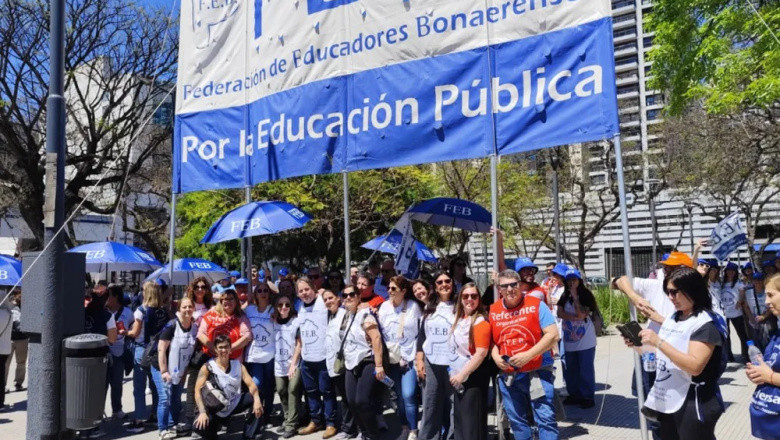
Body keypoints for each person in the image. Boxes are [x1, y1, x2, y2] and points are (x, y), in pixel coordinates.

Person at [629, 267, 725, 440]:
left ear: (692, 289)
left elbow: (695, 366)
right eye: (668, 292)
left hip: (694, 400)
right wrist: (639, 346)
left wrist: (658, 341)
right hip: (669, 396)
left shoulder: (705, 324)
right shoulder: (674, 317)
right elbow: (661, 354)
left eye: (675, 292)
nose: (671, 297)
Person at [490, 269, 559, 440]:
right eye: (504, 286)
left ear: (520, 285)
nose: (510, 289)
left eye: (514, 284)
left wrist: (527, 355)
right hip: (510, 375)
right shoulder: (493, 309)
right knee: (517, 421)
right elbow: (491, 341)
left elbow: (553, 335)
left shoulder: (536, 304)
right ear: (499, 289)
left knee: (545, 418)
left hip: (537, 371)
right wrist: (496, 356)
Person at [193, 334, 263, 440]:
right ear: (215, 350)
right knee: (198, 425)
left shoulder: (238, 366)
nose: (223, 350)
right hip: (215, 407)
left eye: (226, 347)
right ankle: (212, 434)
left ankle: (249, 435)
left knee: (257, 396)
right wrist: (202, 412)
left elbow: (251, 385)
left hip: (233, 403)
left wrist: (257, 400)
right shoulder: (207, 367)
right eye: (220, 347)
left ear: (230, 349)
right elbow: (197, 391)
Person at [378, 276, 423, 440]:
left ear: (403, 291)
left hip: (408, 358)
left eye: (393, 289)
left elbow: (421, 332)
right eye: (388, 288)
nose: (389, 291)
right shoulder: (383, 307)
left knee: (408, 394)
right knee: (397, 395)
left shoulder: (413, 307)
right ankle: (404, 426)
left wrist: (420, 358)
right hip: (391, 358)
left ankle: (413, 429)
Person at [342, 279, 386, 440]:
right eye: (344, 295)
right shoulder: (346, 316)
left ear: (359, 296)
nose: (348, 297)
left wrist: (379, 365)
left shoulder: (366, 314)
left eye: (351, 294)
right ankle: (364, 431)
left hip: (367, 360)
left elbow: (376, 339)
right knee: (351, 401)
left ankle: (373, 434)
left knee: (362, 401)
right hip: (350, 362)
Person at [416, 271, 458, 440]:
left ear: (452, 283)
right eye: (439, 282)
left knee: (455, 406)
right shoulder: (429, 307)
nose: (443, 284)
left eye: (447, 280)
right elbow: (422, 336)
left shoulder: (460, 305)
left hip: (453, 363)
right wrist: (419, 360)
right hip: (431, 362)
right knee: (431, 405)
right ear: (435, 286)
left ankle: (452, 437)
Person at [296, 277, 338, 436]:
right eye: (300, 291)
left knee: (326, 391)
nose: (304, 293)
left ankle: (331, 423)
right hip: (307, 358)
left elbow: (336, 302)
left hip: (323, 356)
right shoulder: (299, 306)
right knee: (311, 392)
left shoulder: (322, 301)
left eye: (307, 289)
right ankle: (315, 421)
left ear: (314, 288)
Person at [449, 282, 491, 440]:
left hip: (473, 376)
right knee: (460, 421)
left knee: (471, 424)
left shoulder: (481, 322)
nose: (469, 299)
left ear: (479, 299)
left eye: (474, 296)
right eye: (465, 296)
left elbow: (481, 353)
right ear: (460, 298)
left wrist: (462, 375)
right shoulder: (459, 319)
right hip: (459, 375)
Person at [151, 297, 198, 439]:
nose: (187, 309)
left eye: (190, 306)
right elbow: (161, 349)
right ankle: (162, 429)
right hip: (160, 367)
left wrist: (185, 372)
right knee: (165, 397)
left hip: (180, 369)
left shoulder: (194, 327)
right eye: (184, 307)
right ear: (179, 309)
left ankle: (172, 425)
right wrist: (164, 371)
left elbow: (190, 351)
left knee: (176, 398)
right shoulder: (172, 325)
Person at [126, 281, 169, 433]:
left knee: (139, 386)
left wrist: (125, 332)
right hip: (158, 350)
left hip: (142, 349)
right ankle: (156, 416)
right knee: (155, 386)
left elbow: (135, 333)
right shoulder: (163, 311)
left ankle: (138, 419)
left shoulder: (141, 311)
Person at [557, 269, 598, 409]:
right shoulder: (564, 295)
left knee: (585, 368)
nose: (571, 283)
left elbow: (582, 314)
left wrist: (575, 297)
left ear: (579, 281)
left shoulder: (585, 295)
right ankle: (573, 394)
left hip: (585, 339)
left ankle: (587, 396)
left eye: (574, 280)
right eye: (568, 280)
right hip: (569, 339)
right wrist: (573, 318)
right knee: (571, 368)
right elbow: (560, 313)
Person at [747, 273, 780, 439]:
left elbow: (772, 374)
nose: (766, 302)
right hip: (770, 422)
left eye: (771, 295)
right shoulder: (777, 333)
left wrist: (771, 377)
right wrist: (759, 373)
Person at [324, 288, 358, 440]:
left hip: (348, 363)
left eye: (330, 298)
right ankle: (349, 428)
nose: (328, 302)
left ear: (338, 299)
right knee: (345, 398)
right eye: (325, 300)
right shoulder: (330, 316)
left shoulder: (346, 314)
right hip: (335, 363)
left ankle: (356, 428)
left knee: (351, 398)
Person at [244, 281, 276, 428]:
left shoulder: (274, 310)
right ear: (255, 294)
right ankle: (256, 414)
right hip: (254, 356)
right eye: (260, 291)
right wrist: (248, 300)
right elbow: (237, 311)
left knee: (269, 387)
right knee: (257, 385)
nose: (263, 293)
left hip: (270, 355)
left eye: (265, 291)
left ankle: (267, 415)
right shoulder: (249, 310)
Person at [273, 294, 302, 439]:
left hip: (294, 363)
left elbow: (299, 343)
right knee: (281, 390)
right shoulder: (273, 321)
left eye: (287, 305)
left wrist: (293, 364)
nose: (283, 307)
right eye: (280, 305)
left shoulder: (295, 322)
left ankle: (291, 424)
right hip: (278, 363)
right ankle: (287, 417)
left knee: (292, 389)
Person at [197, 289, 251, 362]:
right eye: (225, 299)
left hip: (233, 360)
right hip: (210, 358)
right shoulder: (212, 312)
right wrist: (214, 348)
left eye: (231, 299)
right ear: (221, 301)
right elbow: (201, 334)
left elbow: (247, 336)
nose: (228, 301)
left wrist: (228, 349)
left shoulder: (240, 317)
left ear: (236, 301)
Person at [105, 285, 134, 420]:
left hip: (119, 351)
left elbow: (133, 331)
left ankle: (117, 409)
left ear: (115, 297)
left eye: (108, 295)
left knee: (117, 382)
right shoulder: (102, 311)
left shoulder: (128, 313)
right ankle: (98, 412)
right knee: (102, 384)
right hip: (104, 351)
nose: (106, 298)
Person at [721, 262, 751, 362]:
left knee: (742, 335)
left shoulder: (739, 283)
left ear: (736, 272)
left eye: (733, 271)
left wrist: (740, 300)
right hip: (725, 314)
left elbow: (742, 292)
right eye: (728, 270)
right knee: (726, 336)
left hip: (737, 313)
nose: (730, 272)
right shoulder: (722, 283)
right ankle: (729, 356)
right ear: (725, 272)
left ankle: (747, 356)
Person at [744, 273, 777, 351]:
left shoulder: (768, 292)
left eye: (759, 280)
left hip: (767, 321)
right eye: (755, 280)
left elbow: (772, 306)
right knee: (756, 341)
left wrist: (764, 316)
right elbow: (745, 306)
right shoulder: (748, 292)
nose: (757, 282)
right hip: (754, 321)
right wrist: (750, 317)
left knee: (767, 341)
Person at [5, 289, 27, 393]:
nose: (21, 297)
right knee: (6, 363)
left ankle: (18, 383)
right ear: (15, 295)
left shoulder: (26, 306)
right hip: (9, 338)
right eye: (20, 295)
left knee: (21, 362)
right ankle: (3, 384)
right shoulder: (8, 305)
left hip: (22, 338)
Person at [0, 295, 14, 412]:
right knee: (1, 375)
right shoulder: (9, 313)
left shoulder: (1, 314)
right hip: (5, 349)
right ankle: (1, 401)